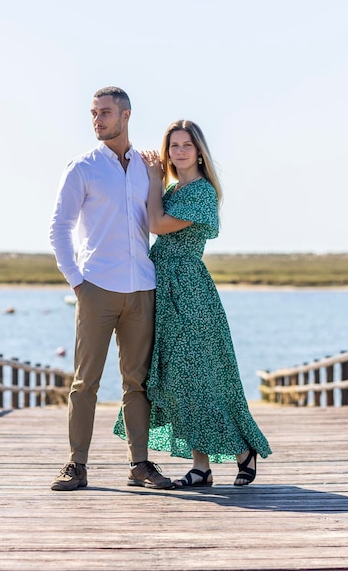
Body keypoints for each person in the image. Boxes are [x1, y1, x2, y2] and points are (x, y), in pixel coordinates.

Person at [114, 119, 272, 487]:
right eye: (173, 146)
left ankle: (241, 450)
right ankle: (201, 468)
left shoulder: (199, 193)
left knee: (199, 377)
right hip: (162, 288)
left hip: (188, 291)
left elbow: (155, 223)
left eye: (186, 145)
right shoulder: (173, 190)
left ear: (199, 151)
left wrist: (153, 178)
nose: (179, 151)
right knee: (176, 379)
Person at [49, 87, 172, 491]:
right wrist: (77, 282)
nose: (97, 120)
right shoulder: (82, 168)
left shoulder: (148, 167)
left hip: (142, 288)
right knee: (86, 382)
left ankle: (139, 464)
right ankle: (76, 465)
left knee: (137, 383)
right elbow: (60, 228)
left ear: (126, 116)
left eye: (104, 113)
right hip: (97, 287)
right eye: (93, 113)